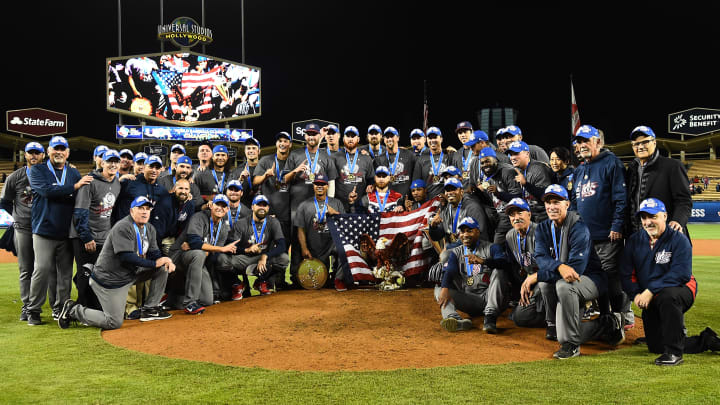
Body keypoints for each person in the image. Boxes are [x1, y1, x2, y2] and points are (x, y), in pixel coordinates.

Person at [621, 198, 720, 365]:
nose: (648, 222)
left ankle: (674, 354)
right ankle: (707, 340)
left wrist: (650, 290)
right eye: (644, 218)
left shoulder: (679, 240)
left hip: (681, 289)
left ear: (665, 216)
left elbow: (681, 274)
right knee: (656, 346)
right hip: (650, 295)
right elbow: (626, 274)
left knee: (668, 296)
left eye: (653, 217)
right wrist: (636, 294)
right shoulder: (634, 241)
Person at [531, 185, 624, 359]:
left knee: (563, 286)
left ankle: (572, 345)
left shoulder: (579, 227)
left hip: (590, 280)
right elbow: (540, 257)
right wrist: (559, 266)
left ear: (567, 204)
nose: (551, 206)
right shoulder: (543, 227)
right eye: (548, 202)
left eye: (556, 202)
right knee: (561, 333)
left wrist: (537, 275)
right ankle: (607, 323)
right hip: (566, 281)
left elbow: (575, 271)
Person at [57, 196, 175, 330]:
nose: (144, 212)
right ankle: (73, 310)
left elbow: (154, 253)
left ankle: (150, 309)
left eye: (147, 209)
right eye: (140, 208)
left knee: (163, 268)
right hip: (110, 281)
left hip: (129, 274)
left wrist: (165, 260)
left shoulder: (149, 229)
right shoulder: (123, 227)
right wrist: (154, 264)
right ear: (131, 211)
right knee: (113, 322)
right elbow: (126, 257)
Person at [26, 136, 91, 325]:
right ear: (49, 151)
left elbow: (83, 192)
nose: (59, 152)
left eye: (63, 149)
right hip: (44, 230)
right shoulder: (37, 169)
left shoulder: (72, 173)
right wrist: (73, 187)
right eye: (56, 148)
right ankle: (33, 310)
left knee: (64, 273)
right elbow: (46, 191)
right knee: (42, 270)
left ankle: (61, 308)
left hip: (66, 232)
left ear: (68, 153)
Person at [571, 125, 630, 325]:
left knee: (612, 279)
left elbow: (621, 199)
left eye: (586, 140)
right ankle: (605, 316)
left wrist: (617, 225)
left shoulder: (611, 163)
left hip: (607, 235)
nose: (581, 145)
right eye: (579, 142)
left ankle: (620, 318)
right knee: (597, 279)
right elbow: (574, 202)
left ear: (598, 142)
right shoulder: (579, 170)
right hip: (586, 237)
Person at [435, 217, 510, 333]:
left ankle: (490, 318)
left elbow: (505, 264)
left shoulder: (492, 248)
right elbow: (450, 271)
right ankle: (453, 319)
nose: (465, 234)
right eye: (462, 231)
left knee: (498, 271)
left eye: (469, 231)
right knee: (439, 288)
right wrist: (445, 288)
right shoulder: (456, 252)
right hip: (471, 299)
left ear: (478, 232)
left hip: (490, 297)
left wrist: (484, 261)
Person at [70, 149, 122, 310]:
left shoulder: (117, 183)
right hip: (84, 236)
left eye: (116, 161)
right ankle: (83, 309)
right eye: (109, 161)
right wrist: (86, 237)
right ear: (103, 163)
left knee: (99, 273)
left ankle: (93, 306)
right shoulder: (90, 182)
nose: (113, 164)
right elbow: (80, 212)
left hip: (103, 237)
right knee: (85, 272)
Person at [0, 142, 47, 321]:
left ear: (43, 155)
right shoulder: (15, 177)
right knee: (26, 269)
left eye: (37, 153)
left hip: (44, 228)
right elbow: (4, 202)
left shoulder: (49, 174)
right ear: (25, 155)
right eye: (30, 153)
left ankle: (43, 305)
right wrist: (17, 218)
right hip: (24, 228)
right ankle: (27, 307)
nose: (34, 156)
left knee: (44, 268)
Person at [167, 194, 236, 314]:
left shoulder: (224, 228)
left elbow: (209, 254)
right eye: (217, 204)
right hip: (178, 256)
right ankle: (189, 303)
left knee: (207, 300)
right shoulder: (199, 217)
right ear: (211, 205)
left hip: (198, 259)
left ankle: (172, 300)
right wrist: (220, 249)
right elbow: (194, 241)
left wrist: (203, 248)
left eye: (223, 206)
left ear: (227, 209)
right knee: (198, 254)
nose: (220, 208)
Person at [625, 125, 692, 238]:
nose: (640, 146)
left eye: (645, 142)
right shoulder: (631, 169)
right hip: (637, 236)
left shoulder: (672, 166)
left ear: (654, 142)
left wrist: (678, 221)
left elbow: (684, 200)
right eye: (636, 144)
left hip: (664, 234)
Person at [216, 195, 289, 295]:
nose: (262, 208)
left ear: (268, 208)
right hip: (244, 258)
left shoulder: (273, 222)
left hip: (263, 258)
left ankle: (261, 281)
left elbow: (282, 245)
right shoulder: (241, 224)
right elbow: (230, 246)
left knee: (284, 259)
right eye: (259, 205)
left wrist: (265, 256)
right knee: (221, 259)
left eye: (264, 205)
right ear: (252, 207)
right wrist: (247, 250)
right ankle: (237, 284)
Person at [292, 174, 347, 291]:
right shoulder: (304, 205)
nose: (320, 186)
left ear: (327, 186)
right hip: (314, 245)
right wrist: (304, 248)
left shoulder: (336, 203)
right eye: (317, 184)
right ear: (313, 186)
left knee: (345, 250)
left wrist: (335, 214)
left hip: (332, 244)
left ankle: (339, 279)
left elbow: (345, 225)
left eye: (323, 184)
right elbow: (300, 229)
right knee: (317, 281)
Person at [504, 198, 546, 329]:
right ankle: (551, 315)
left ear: (529, 214)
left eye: (520, 213)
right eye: (512, 214)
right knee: (520, 317)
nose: (516, 218)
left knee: (544, 287)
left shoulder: (541, 232)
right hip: (531, 280)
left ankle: (557, 320)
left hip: (548, 279)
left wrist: (535, 284)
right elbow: (518, 267)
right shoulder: (510, 236)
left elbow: (553, 267)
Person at [469, 147, 522, 244]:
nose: (485, 165)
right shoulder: (488, 176)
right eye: (482, 163)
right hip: (500, 216)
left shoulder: (507, 171)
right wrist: (477, 192)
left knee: (497, 246)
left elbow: (519, 198)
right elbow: (490, 201)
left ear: (495, 160)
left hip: (513, 214)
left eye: (488, 161)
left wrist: (499, 194)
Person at [429, 177, 490, 252]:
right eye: (447, 190)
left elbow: (477, 236)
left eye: (454, 189)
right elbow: (437, 236)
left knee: (445, 256)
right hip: (457, 249)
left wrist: (450, 248)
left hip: (476, 250)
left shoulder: (472, 207)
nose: (450, 192)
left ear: (461, 191)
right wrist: (433, 227)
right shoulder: (446, 209)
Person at [253, 131, 292, 244]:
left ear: (290, 144)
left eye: (285, 141)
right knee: (266, 247)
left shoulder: (293, 160)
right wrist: (265, 176)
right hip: (268, 213)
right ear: (276, 143)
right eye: (280, 141)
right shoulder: (266, 160)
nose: (282, 144)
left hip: (287, 215)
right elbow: (255, 181)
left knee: (284, 248)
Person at [330, 126, 375, 211]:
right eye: (348, 136)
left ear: (358, 139)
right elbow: (330, 182)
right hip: (339, 207)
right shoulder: (334, 158)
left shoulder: (366, 158)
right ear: (343, 139)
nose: (350, 139)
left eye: (353, 136)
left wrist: (371, 185)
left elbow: (371, 179)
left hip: (361, 206)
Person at [506, 141, 553, 223]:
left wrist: (525, 184)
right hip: (530, 217)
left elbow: (546, 196)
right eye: (511, 154)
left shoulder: (539, 169)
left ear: (527, 154)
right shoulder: (518, 170)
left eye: (516, 154)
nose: (512, 157)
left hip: (543, 217)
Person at [412, 127, 456, 199]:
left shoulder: (449, 155)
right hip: (428, 202)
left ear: (441, 139)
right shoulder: (421, 159)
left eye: (435, 137)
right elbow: (416, 184)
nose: (432, 140)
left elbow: (456, 178)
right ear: (427, 140)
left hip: (447, 200)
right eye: (430, 138)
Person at [375, 126, 417, 198]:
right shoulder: (378, 159)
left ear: (398, 138)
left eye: (392, 136)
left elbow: (416, 177)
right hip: (387, 202)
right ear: (384, 140)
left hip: (407, 202)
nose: (389, 139)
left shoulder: (409, 155)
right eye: (387, 137)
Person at [234, 137, 261, 207]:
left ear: (259, 151)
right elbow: (231, 191)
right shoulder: (237, 170)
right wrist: (240, 180)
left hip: (262, 207)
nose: (251, 151)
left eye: (254, 148)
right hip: (243, 210)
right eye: (248, 148)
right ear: (245, 151)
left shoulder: (266, 168)